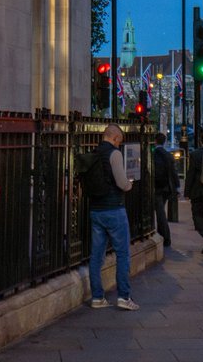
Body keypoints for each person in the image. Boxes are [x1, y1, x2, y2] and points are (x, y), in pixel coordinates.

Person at [87, 124, 138, 310]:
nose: (119, 145)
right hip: (114, 209)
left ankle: (97, 297)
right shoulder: (114, 154)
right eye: (120, 141)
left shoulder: (94, 152)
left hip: (96, 210)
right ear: (115, 137)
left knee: (96, 256)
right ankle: (124, 297)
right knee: (123, 254)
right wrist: (129, 184)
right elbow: (121, 182)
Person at [151, 132, 179, 247]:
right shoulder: (168, 155)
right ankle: (162, 235)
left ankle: (166, 237)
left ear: (155, 141)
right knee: (161, 211)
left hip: (158, 187)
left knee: (160, 213)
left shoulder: (154, 154)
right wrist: (176, 187)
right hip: (167, 187)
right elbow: (173, 172)